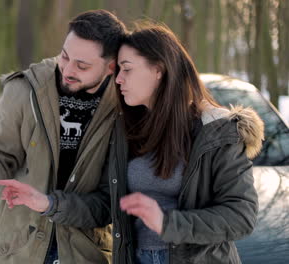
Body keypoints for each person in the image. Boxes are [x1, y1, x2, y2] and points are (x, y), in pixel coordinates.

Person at [0, 10, 126, 264]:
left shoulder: (125, 107)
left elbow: (108, 201)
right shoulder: (25, 89)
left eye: (82, 65)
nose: (68, 69)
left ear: (111, 66)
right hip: (18, 250)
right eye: (65, 56)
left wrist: (49, 204)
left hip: (84, 254)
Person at [109, 21, 264, 263]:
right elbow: (105, 200)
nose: (118, 79)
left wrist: (167, 223)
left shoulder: (216, 132)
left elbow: (241, 216)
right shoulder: (126, 129)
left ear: (158, 69)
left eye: (126, 69)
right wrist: (51, 203)